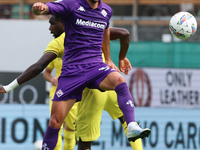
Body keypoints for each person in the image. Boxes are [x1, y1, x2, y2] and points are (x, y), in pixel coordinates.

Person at [0, 1, 151, 150]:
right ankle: (130, 126)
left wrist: (109, 59)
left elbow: (106, 32)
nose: (50, 28)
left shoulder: (105, 11)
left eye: (53, 24)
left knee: (119, 80)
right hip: (73, 74)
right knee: (55, 123)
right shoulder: (71, 8)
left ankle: (133, 125)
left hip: (96, 69)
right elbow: (49, 8)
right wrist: (41, 8)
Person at [44, 14, 143, 150]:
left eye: (52, 24)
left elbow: (38, 66)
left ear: (63, 22)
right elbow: (124, 33)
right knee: (127, 120)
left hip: (89, 91)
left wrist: (12, 85)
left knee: (75, 136)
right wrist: (121, 57)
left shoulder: (58, 44)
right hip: (108, 83)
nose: (50, 28)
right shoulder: (90, 31)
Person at [43, 15, 77, 150]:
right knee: (55, 125)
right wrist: (51, 79)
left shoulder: (78, 50)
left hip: (74, 95)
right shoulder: (55, 51)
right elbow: (46, 72)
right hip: (56, 93)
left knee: (70, 129)